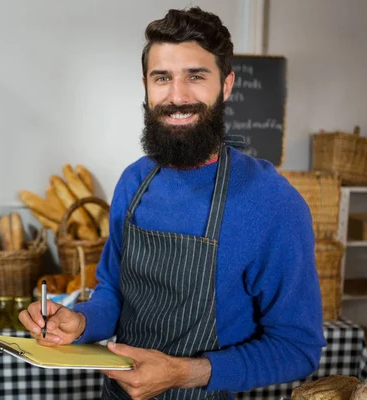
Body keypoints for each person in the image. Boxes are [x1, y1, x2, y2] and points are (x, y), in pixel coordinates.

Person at [19, 6, 326, 400]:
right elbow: (113, 291)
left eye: (196, 77)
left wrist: (182, 373)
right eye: (162, 78)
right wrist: (79, 322)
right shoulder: (135, 181)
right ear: (146, 86)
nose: (177, 96)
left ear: (226, 85)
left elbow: (297, 348)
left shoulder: (272, 201)